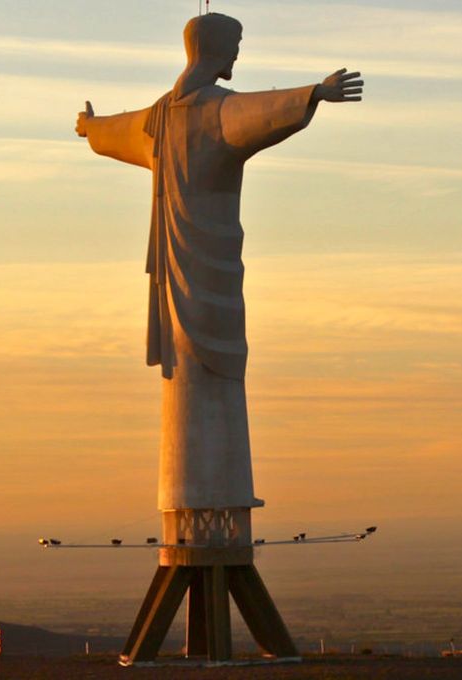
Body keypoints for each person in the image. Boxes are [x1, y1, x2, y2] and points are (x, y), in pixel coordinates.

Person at [75, 13, 362, 511]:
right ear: (214, 49)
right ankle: (210, 508)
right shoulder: (211, 113)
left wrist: (91, 128)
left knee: (203, 375)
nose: (237, 57)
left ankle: (199, 506)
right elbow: (261, 111)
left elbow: (116, 130)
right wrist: (314, 92)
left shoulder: (156, 119)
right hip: (210, 280)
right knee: (213, 373)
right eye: (235, 46)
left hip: (178, 276)